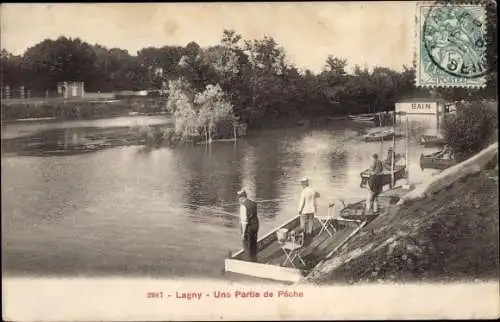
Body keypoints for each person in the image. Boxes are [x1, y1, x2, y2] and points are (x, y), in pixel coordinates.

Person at [237, 189, 259, 262]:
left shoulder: (243, 206)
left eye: (239, 198)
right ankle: (254, 260)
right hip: (255, 226)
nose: (239, 201)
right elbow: (253, 215)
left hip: (248, 228)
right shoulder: (253, 203)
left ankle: (248, 262)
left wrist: (243, 233)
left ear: (242, 197)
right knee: (253, 245)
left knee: (246, 246)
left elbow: (244, 222)